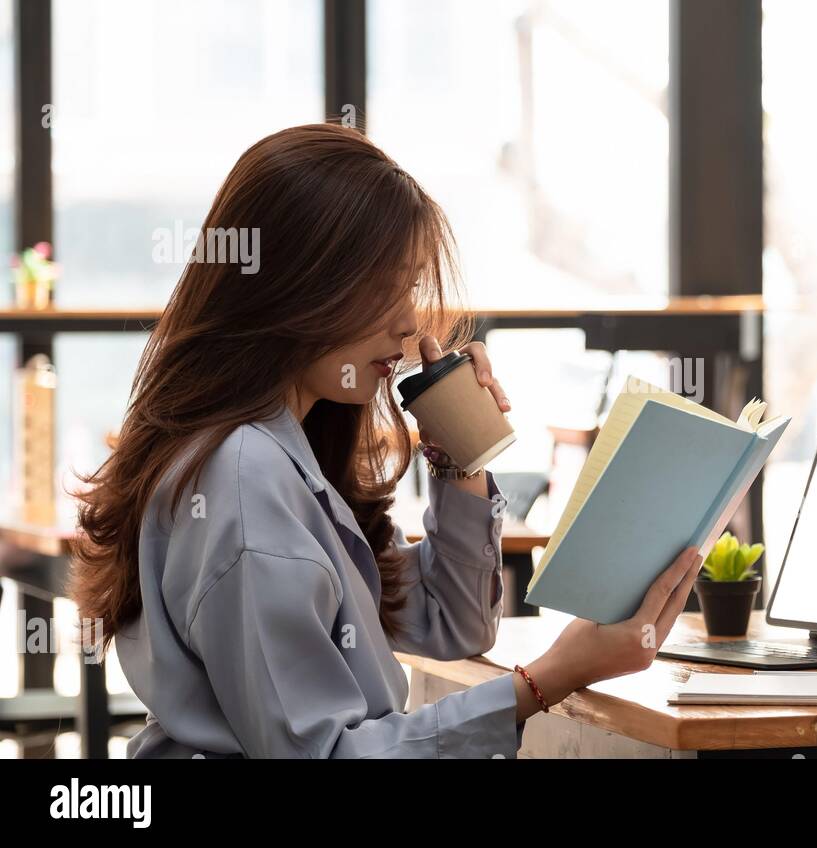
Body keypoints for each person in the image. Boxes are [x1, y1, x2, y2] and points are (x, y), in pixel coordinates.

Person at [69, 123, 702, 758]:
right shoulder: (245, 476)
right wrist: (548, 679)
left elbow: (454, 622)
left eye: (409, 288)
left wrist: (460, 452)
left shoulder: (286, 452)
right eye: (383, 288)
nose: (406, 323)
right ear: (295, 284)